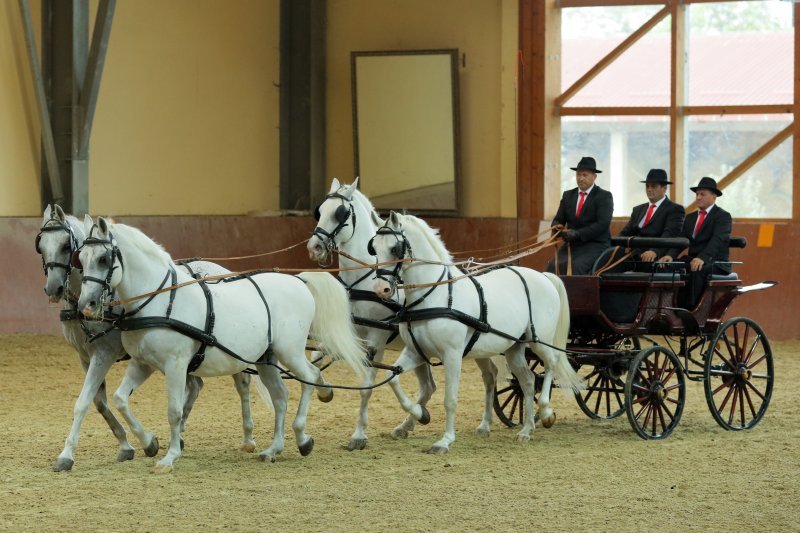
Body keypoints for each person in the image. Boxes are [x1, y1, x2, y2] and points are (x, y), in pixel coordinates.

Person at [660, 177, 732, 309]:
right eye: (697, 194)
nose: (698, 197)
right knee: (666, 266)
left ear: (714, 196)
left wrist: (702, 258)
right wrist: (670, 255)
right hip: (693, 259)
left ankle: (690, 309)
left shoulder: (722, 216)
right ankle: (667, 306)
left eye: (702, 194)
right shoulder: (690, 218)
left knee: (697, 270)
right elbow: (682, 239)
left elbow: (718, 240)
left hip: (715, 261)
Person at [547, 156, 613, 275]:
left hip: (595, 245)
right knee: (551, 267)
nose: (580, 178)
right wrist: (557, 227)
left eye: (585, 175)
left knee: (576, 267)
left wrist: (578, 234)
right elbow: (558, 219)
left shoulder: (604, 196)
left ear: (594, 177)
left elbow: (602, 224)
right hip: (571, 246)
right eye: (578, 175)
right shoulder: (568, 195)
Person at [618, 168, 685, 268]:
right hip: (632, 256)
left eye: (654, 186)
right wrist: (617, 247)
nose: (649, 189)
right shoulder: (638, 210)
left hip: (655, 258)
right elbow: (625, 232)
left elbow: (669, 234)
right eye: (647, 186)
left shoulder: (675, 209)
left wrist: (655, 251)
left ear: (664, 188)